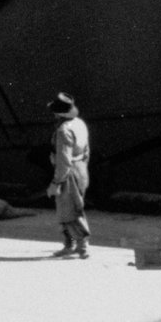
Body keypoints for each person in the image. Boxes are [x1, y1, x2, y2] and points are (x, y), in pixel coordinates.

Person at [47, 92, 91, 259]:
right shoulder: (80, 123)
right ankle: (70, 244)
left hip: (68, 172)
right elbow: (87, 151)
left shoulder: (63, 130)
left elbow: (64, 160)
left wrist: (56, 182)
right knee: (70, 208)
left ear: (58, 114)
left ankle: (82, 246)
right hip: (81, 169)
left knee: (70, 211)